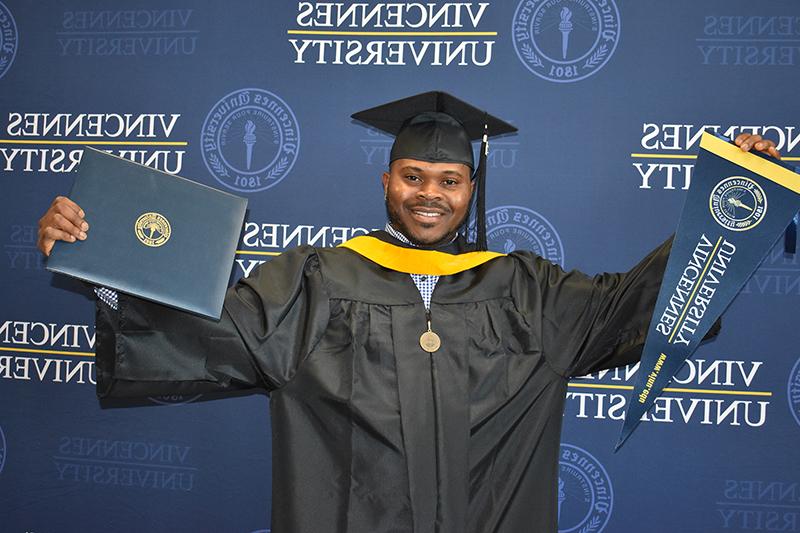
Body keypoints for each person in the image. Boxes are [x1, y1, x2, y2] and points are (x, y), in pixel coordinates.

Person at [37, 92, 780, 533]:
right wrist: (103, 268)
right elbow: (211, 334)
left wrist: (730, 217)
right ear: (387, 178)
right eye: (415, 175)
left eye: (450, 179)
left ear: (472, 187)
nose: (431, 193)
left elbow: (634, 306)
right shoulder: (315, 280)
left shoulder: (528, 290)